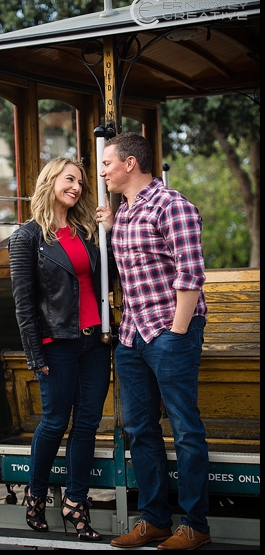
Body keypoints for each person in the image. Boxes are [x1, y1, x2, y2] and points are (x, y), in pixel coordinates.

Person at [97, 132, 210, 550]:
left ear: (129, 163)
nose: (102, 171)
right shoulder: (123, 213)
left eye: (107, 163)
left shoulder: (172, 205)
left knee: (185, 429)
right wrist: (109, 228)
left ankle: (196, 524)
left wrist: (177, 332)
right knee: (140, 429)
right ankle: (155, 519)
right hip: (131, 336)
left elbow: (191, 273)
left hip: (169, 333)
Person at [8, 156, 110, 541]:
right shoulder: (27, 237)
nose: (77, 187)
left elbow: (108, 278)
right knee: (54, 422)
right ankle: (35, 495)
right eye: (70, 179)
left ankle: (75, 501)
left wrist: (110, 231)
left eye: (81, 183)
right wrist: (35, 356)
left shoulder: (86, 231)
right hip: (57, 345)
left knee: (87, 425)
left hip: (94, 341)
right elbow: (23, 303)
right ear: (51, 181)